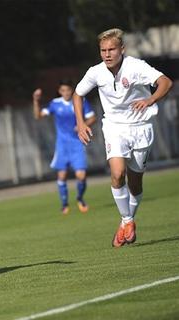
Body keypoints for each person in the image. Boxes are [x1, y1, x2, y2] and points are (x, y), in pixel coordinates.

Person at [73, 28, 173, 247]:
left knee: (135, 183)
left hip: (141, 127)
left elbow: (166, 82)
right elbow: (77, 94)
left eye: (111, 49)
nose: (107, 54)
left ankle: (125, 222)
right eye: (103, 50)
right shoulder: (96, 72)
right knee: (117, 174)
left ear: (122, 49)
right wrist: (80, 123)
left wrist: (151, 99)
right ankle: (128, 220)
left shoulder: (136, 66)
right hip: (114, 127)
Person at [32, 80, 96, 214]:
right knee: (62, 175)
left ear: (72, 90)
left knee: (81, 175)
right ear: (60, 91)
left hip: (77, 144)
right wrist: (36, 100)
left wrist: (81, 125)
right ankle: (64, 203)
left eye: (68, 90)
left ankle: (80, 198)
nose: (66, 93)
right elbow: (38, 116)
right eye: (63, 90)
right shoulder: (55, 104)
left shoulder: (80, 101)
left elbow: (92, 118)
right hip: (62, 145)